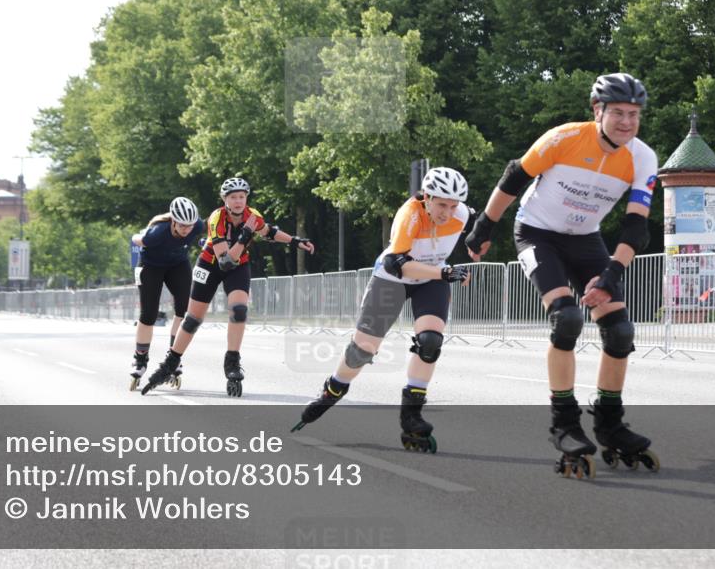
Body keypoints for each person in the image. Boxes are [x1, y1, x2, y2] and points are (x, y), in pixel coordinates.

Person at [465, 73, 660, 478]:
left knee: (620, 330)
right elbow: (513, 178)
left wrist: (610, 273)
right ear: (597, 111)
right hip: (537, 233)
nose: (627, 122)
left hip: (585, 239)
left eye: (635, 115)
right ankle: (564, 423)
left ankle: (609, 422)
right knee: (568, 318)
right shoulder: (563, 138)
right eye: (619, 113)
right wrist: (484, 227)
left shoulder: (643, 158)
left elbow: (635, 227)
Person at [291, 168, 471, 453]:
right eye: (441, 205)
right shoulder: (409, 215)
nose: (447, 213)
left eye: (453, 206)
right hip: (393, 280)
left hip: (431, 281)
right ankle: (334, 388)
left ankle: (411, 414)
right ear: (426, 197)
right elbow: (396, 264)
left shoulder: (462, 214)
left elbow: (473, 231)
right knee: (362, 350)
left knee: (430, 342)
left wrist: (473, 246)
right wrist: (446, 273)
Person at [141, 177, 314, 397]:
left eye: (242, 196)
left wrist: (294, 241)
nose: (238, 201)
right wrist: (244, 237)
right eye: (233, 197)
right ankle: (170, 363)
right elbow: (225, 261)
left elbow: (268, 231)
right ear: (225, 200)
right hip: (212, 264)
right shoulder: (217, 218)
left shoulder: (253, 216)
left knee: (239, 310)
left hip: (238, 266)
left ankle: (232, 361)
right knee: (193, 319)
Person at [127, 197, 204, 391]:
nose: (187, 229)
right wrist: (139, 235)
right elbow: (138, 239)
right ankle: (140, 359)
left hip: (177, 264)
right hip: (151, 266)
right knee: (148, 315)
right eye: (183, 225)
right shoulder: (157, 233)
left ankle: (173, 357)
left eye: (190, 225)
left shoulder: (197, 226)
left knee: (184, 311)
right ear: (173, 221)